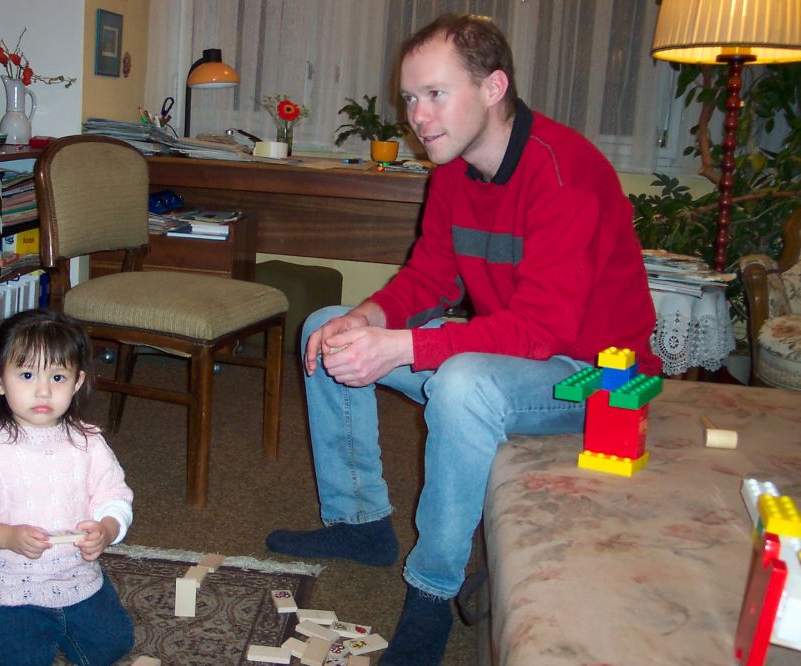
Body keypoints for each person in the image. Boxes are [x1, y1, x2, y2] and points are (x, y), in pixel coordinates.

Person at [265, 13, 660, 666]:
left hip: (604, 377)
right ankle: (360, 524)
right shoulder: (451, 168)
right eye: (410, 98)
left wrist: (401, 348)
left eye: (435, 94)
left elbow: (544, 330)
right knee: (324, 329)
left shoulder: (564, 173)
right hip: (516, 353)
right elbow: (429, 276)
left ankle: (430, 592)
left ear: (493, 87)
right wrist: (366, 318)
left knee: (462, 382)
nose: (418, 117)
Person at [0, 309, 135, 666]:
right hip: (5, 586)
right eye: (27, 375)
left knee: (114, 645)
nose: (43, 390)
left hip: (76, 578)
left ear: (77, 382)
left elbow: (115, 497)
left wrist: (107, 529)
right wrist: (7, 537)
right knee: (25, 659)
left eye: (58, 377)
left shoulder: (89, 443)